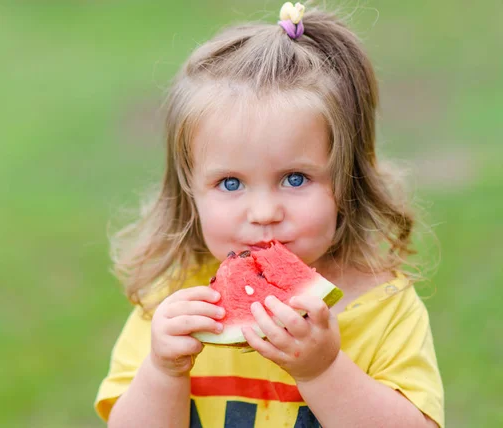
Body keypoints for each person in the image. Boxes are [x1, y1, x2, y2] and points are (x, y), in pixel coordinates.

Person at [94, 2, 444, 427]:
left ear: (347, 182)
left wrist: (323, 371)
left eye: (295, 179)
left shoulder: (384, 309)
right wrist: (162, 370)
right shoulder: (171, 303)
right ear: (189, 196)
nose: (263, 213)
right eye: (230, 183)